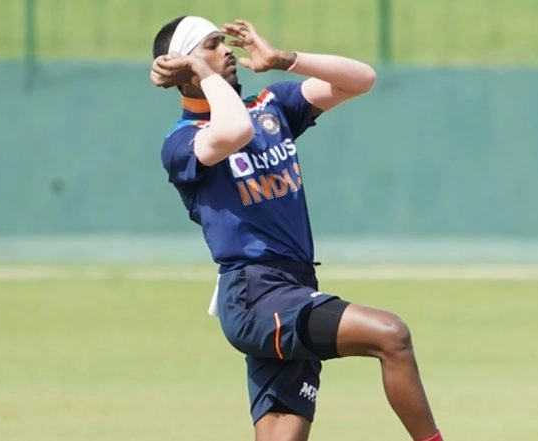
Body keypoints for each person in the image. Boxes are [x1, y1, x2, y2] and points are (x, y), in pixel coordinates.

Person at [149, 15, 444, 441]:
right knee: (391, 335)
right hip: (256, 295)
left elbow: (361, 80)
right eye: (211, 45)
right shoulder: (182, 142)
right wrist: (201, 72)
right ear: (181, 67)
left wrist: (285, 59)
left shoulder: (271, 105)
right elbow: (232, 130)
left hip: (294, 286)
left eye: (223, 42)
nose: (226, 50)